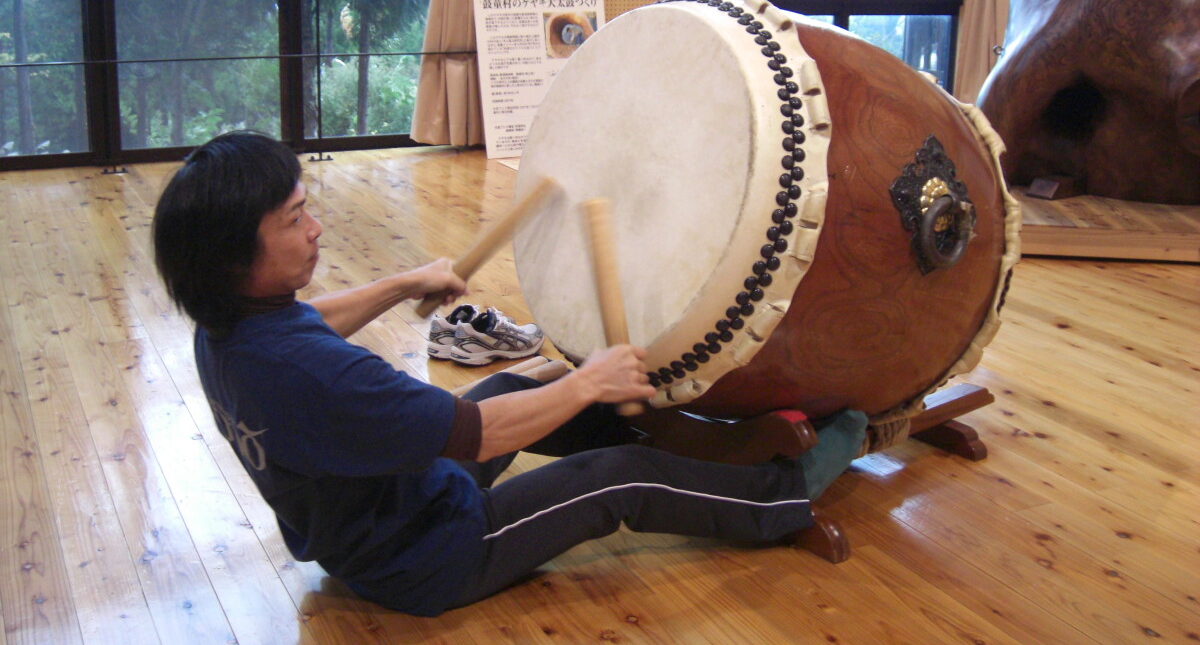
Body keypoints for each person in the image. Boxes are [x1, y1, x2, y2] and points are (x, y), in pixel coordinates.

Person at [152, 130, 867, 617]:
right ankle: (780, 495)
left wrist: (405, 283)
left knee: (505, 384)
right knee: (614, 478)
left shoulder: (227, 328)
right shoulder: (320, 381)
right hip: (427, 555)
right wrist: (586, 381)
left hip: (376, 513)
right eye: (293, 219)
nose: (314, 229)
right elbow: (481, 438)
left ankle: (698, 456)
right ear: (233, 255)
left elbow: (312, 320)